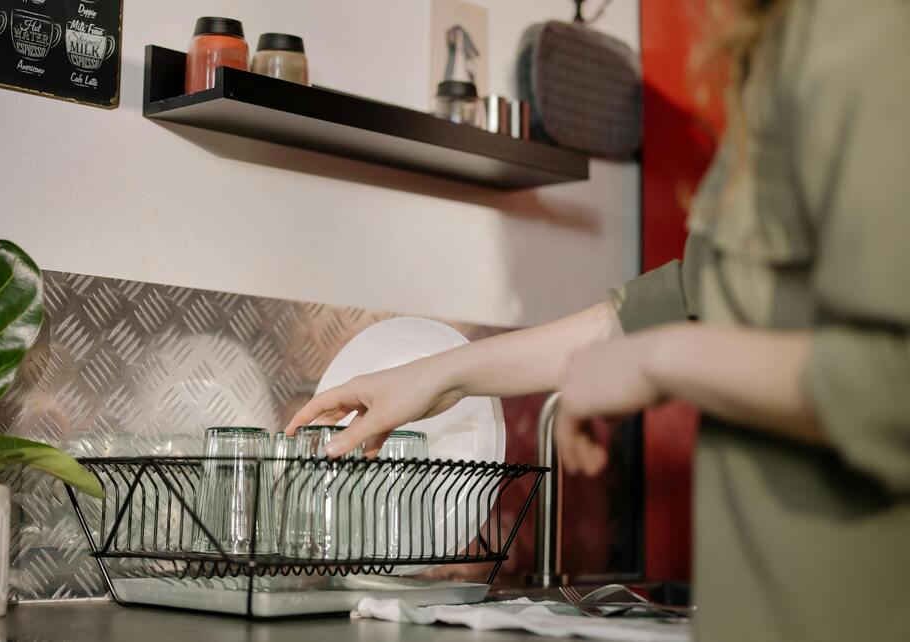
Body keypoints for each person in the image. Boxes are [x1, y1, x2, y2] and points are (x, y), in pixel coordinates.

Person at [287, 1, 910, 640]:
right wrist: (435, 377)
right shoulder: (782, 44)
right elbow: (654, 310)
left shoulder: (865, 29)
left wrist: (662, 361)